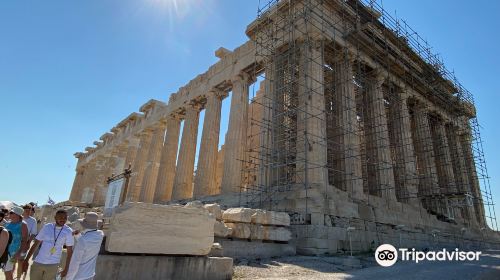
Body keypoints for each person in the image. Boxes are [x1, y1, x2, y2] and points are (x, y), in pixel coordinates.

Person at [24, 209, 74, 280]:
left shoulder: (68, 231)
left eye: (65, 218)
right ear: (55, 217)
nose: (63, 219)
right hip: (38, 262)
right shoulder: (47, 227)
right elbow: (36, 244)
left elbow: (70, 252)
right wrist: (26, 260)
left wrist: (66, 269)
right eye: (60, 217)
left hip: (53, 265)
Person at [66, 212, 104, 280]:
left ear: (84, 225)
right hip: (90, 274)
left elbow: (75, 263)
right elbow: (88, 241)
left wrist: (68, 278)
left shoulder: (83, 240)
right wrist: (78, 235)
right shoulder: (100, 235)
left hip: (79, 276)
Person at [3, 206, 28, 280]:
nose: (9, 214)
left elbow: (24, 240)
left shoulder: (23, 224)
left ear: (17, 215)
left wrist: (19, 253)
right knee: (6, 271)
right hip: (4, 251)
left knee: (8, 271)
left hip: (13, 252)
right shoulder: (7, 223)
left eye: (11, 212)